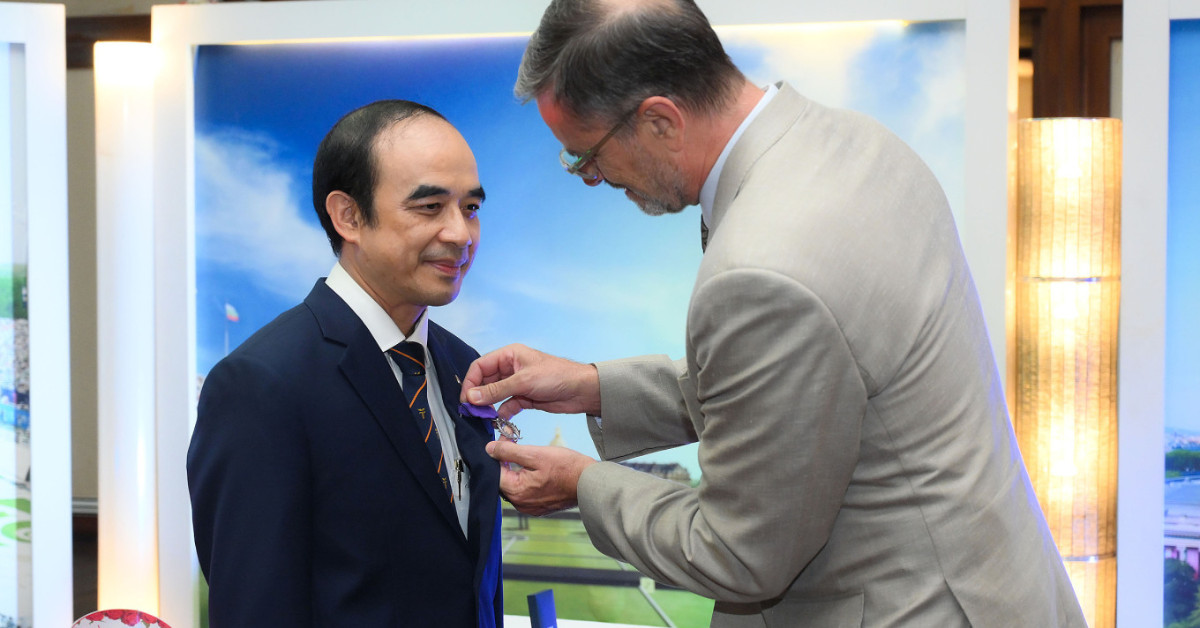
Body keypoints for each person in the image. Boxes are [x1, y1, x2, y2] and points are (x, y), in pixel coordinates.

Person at [461, 0, 1087, 626]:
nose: (589, 177)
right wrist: (593, 388)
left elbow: (736, 552)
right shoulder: (851, 141)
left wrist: (581, 484)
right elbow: (807, 385)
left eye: (585, 155)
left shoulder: (761, 270)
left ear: (660, 121)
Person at [188, 100, 503, 627]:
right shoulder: (262, 385)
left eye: (470, 208)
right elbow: (253, 607)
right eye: (430, 207)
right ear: (348, 216)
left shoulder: (461, 365)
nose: (460, 234)